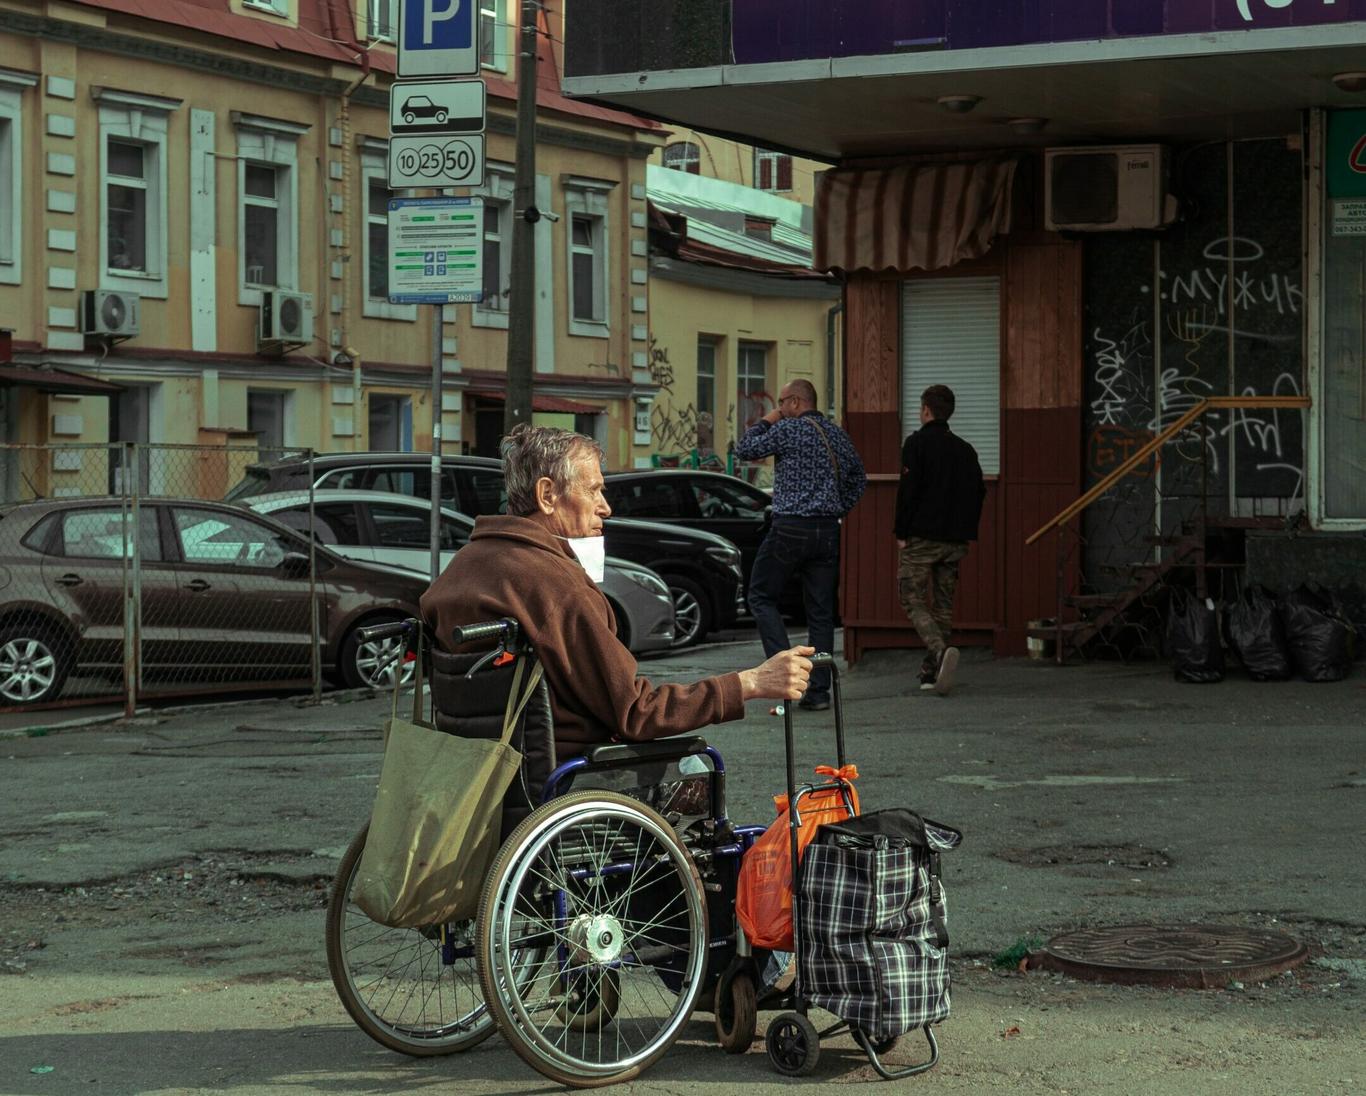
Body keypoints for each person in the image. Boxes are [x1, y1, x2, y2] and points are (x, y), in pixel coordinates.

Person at [420, 424, 813, 757]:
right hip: (566, 773)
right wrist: (750, 683)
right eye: (593, 491)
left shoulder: (462, 568)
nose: (605, 507)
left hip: (480, 769)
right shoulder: (556, 587)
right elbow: (638, 713)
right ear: (547, 495)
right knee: (699, 771)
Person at [734, 379, 866, 712]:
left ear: (795, 402)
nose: (779, 409)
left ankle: (785, 678)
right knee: (820, 613)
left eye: (781, 403)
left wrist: (769, 418)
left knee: (761, 596)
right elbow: (857, 478)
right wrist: (837, 507)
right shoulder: (836, 434)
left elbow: (745, 448)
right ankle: (819, 692)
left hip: (790, 527)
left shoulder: (790, 429)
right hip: (827, 530)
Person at [893, 384, 986, 695]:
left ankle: (938, 650)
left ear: (925, 411)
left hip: (922, 536)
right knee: (943, 605)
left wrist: (901, 532)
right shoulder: (966, 450)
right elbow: (979, 493)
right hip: (955, 540)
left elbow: (909, 490)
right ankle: (931, 674)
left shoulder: (916, 444)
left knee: (911, 596)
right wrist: (966, 530)